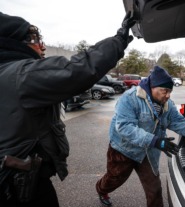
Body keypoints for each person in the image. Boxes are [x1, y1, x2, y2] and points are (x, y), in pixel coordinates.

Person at [0, 11, 135, 207]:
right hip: (19, 183)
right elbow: (75, 70)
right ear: (13, 42)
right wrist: (118, 40)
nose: (42, 45)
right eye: (34, 39)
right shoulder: (20, 74)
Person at [95, 66, 185, 207]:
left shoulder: (167, 105)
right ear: (152, 87)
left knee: (154, 189)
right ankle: (101, 190)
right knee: (114, 179)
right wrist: (155, 141)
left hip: (148, 151)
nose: (168, 95)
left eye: (170, 91)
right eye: (164, 91)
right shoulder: (130, 98)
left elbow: (180, 123)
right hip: (123, 149)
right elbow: (124, 127)